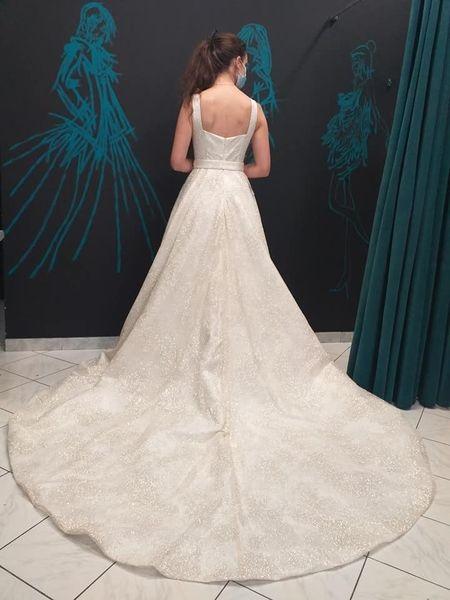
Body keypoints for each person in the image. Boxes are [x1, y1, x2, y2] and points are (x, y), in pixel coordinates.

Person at [7, 31, 434, 583]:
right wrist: (232, 170)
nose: (248, 67)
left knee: (183, 288)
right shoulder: (254, 109)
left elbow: (177, 161)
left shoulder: (193, 102)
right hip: (236, 198)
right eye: (246, 61)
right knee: (246, 286)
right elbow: (264, 169)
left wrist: (209, 166)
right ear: (239, 62)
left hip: (200, 199)